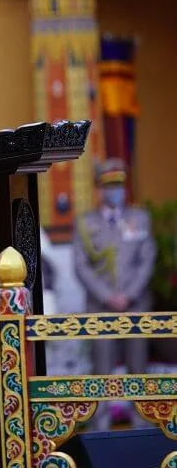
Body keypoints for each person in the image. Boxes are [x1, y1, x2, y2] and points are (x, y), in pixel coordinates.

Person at [73, 157, 156, 430]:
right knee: (102, 368)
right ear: (98, 189)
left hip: (136, 305)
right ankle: (101, 424)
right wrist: (109, 296)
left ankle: (142, 420)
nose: (115, 190)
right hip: (101, 306)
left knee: (138, 366)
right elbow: (81, 265)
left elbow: (147, 258)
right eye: (109, 186)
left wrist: (129, 294)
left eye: (119, 185)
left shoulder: (139, 217)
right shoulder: (86, 223)